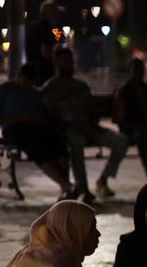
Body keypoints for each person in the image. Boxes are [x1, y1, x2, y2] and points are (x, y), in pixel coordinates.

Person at [43, 47, 129, 202]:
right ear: (57, 63)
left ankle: (103, 179)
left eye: (71, 61)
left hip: (89, 129)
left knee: (121, 141)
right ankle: (81, 188)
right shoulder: (50, 88)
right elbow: (51, 116)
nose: (70, 65)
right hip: (67, 131)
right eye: (66, 61)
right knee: (76, 141)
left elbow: (91, 111)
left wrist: (90, 123)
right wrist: (73, 124)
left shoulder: (81, 86)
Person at [0, 63, 76, 198]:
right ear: (19, 76)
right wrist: (21, 118)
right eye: (25, 82)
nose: (27, 86)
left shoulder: (35, 93)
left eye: (30, 83)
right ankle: (66, 185)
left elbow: (44, 113)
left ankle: (66, 187)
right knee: (39, 151)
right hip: (15, 128)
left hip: (37, 127)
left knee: (59, 148)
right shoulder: (5, 90)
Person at [25, 0, 63, 86]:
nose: (57, 14)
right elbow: (46, 52)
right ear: (49, 12)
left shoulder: (32, 26)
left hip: (33, 71)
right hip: (45, 72)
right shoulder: (45, 28)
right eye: (55, 11)